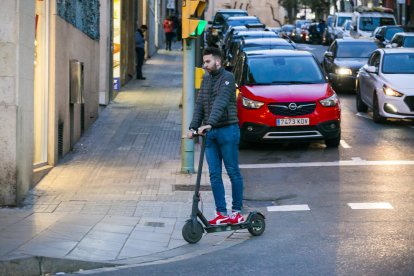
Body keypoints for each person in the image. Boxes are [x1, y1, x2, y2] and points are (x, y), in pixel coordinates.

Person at [187, 47, 244, 225]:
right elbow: (199, 105)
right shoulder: (205, 80)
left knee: (233, 171)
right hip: (210, 134)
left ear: (217, 61)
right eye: (204, 62)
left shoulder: (227, 78)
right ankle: (222, 213)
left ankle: (236, 212)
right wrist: (193, 127)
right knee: (214, 174)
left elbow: (220, 102)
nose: (204, 65)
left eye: (207, 62)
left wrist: (209, 123)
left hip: (227, 130)